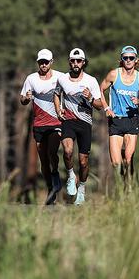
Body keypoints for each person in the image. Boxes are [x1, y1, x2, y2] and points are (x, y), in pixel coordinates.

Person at [53, 48, 105, 206]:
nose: (76, 64)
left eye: (79, 61)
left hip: (85, 123)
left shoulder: (91, 81)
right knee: (67, 151)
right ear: (69, 62)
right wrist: (58, 109)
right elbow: (56, 94)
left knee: (83, 162)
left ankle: (81, 187)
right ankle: (70, 175)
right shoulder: (62, 79)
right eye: (73, 61)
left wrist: (90, 98)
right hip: (68, 120)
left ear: (83, 63)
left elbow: (99, 105)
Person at [100, 45, 139, 191]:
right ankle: (123, 183)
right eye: (125, 58)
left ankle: (128, 188)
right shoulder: (114, 75)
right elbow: (100, 89)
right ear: (121, 59)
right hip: (116, 120)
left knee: (128, 159)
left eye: (131, 58)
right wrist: (106, 107)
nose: (128, 60)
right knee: (116, 163)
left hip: (131, 120)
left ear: (136, 60)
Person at [19, 48, 64, 205]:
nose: (43, 65)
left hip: (56, 123)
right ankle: (51, 188)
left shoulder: (60, 77)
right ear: (38, 63)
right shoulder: (31, 79)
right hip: (39, 124)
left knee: (52, 151)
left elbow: (71, 90)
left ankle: (56, 174)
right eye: (41, 62)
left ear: (51, 62)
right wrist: (27, 98)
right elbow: (22, 99)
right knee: (43, 160)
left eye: (46, 62)